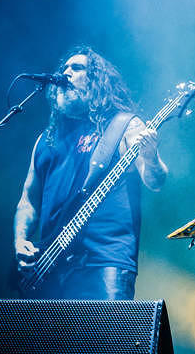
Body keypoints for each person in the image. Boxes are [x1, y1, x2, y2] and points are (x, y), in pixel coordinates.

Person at [13, 45, 168, 300]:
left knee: (104, 329)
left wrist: (151, 156)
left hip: (105, 262)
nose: (67, 72)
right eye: (65, 67)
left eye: (77, 68)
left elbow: (155, 181)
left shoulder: (125, 126)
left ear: (97, 82)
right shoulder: (46, 139)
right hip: (49, 267)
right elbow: (28, 200)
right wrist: (20, 241)